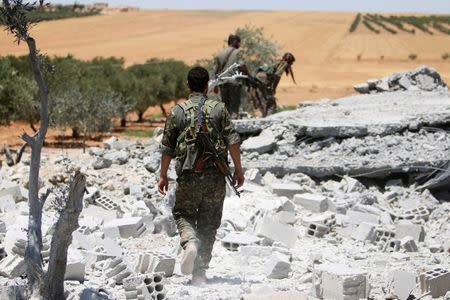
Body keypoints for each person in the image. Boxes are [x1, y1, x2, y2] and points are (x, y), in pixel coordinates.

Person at [157, 66, 245, 285]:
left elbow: (167, 147)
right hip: (216, 177)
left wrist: (162, 176)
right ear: (207, 86)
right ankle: (199, 274)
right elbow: (233, 141)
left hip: (188, 177)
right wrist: (238, 169)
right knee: (209, 223)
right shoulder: (219, 109)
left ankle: (190, 242)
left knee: (182, 213)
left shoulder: (177, 111)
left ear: (189, 85)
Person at [214, 34, 249, 118]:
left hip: (222, 83)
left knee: (225, 106)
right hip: (234, 83)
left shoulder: (219, 54)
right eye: (239, 43)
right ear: (234, 42)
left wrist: (215, 85)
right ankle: (233, 125)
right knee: (234, 107)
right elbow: (241, 65)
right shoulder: (238, 52)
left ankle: (225, 126)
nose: (239, 45)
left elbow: (216, 71)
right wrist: (248, 75)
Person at [251, 52, 296, 117]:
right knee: (271, 104)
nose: (291, 65)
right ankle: (269, 120)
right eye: (291, 63)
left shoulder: (275, 62)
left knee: (263, 100)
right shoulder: (284, 64)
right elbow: (277, 76)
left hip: (257, 78)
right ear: (289, 61)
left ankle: (264, 116)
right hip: (264, 80)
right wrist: (273, 88)